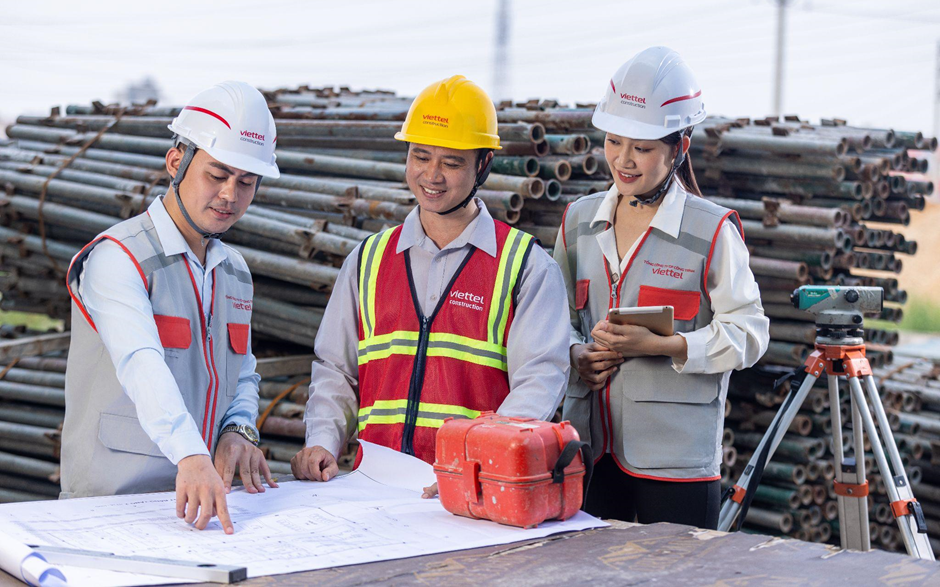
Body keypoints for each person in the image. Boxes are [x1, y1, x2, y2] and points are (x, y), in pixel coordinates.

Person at [292, 75, 570, 495]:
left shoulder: (525, 267)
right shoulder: (368, 261)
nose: (432, 176)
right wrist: (321, 442)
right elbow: (336, 370)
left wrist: (475, 464)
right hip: (372, 489)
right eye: (420, 156)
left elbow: (538, 382)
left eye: (452, 163)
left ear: (484, 166)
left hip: (472, 494)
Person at [555, 47, 770, 529]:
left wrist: (668, 345)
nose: (623, 160)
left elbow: (751, 333)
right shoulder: (578, 222)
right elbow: (556, 321)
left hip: (676, 466)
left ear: (679, 148)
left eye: (643, 147)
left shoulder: (712, 232)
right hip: (588, 452)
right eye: (614, 142)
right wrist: (574, 353)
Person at [61, 81, 280, 534]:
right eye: (217, 174)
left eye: (246, 182)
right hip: (109, 505)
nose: (229, 195)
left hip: (198, 506)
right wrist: (192, 453)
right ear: (176, 162)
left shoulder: (234, 272)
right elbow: (141, 362)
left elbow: (242, 371)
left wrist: (239, 428)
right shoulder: (119, 258)